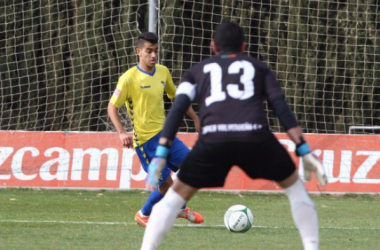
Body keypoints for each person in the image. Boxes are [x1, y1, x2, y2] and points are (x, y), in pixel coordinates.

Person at [140, 22, 327, 250]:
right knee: (296, 190)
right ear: (243, 46)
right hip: (256, 138)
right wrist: (303, 148)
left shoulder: (197, 71)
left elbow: (178, 109)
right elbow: (281, 107)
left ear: (213, 46)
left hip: (213, 141)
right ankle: (311, 246)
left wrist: (160, 154)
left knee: (172, 199)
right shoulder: (259, 68)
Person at [107, 32, 204, 227]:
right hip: (146, 142)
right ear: (138, 52)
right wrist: (121, 132)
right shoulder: (128, 78)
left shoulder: (162, 72)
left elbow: (177, 97)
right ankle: (143, 214)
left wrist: (195, 118)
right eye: (148, 51)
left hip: (166, 135)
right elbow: (112, 107)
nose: (153, 55)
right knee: (166, 184)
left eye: (156, 51)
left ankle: (179, 208)